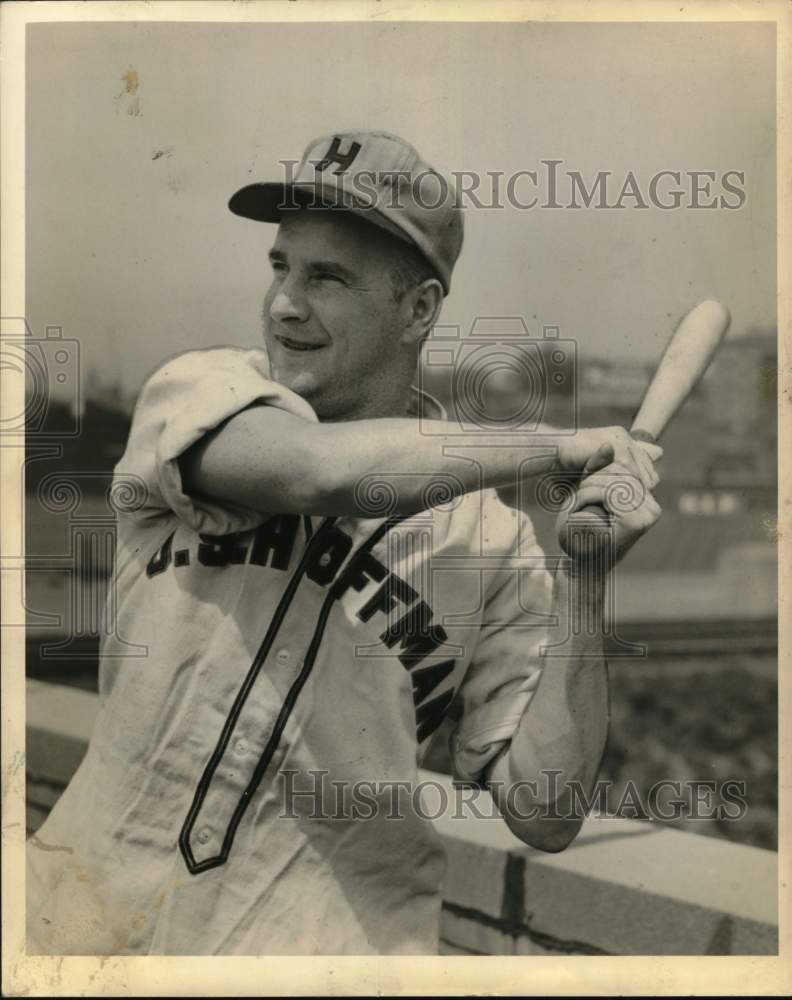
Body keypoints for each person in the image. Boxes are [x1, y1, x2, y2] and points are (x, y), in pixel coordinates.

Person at [27, 130, 662, 955]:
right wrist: (561, 444)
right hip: (86, 926)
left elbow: (543, 810)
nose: (286, 304)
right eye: (281, 266)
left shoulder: (494, 546)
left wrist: (583, 581)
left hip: (329, 952)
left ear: (420, 309)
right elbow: (318, 474)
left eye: (327, 277)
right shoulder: (205, 393)